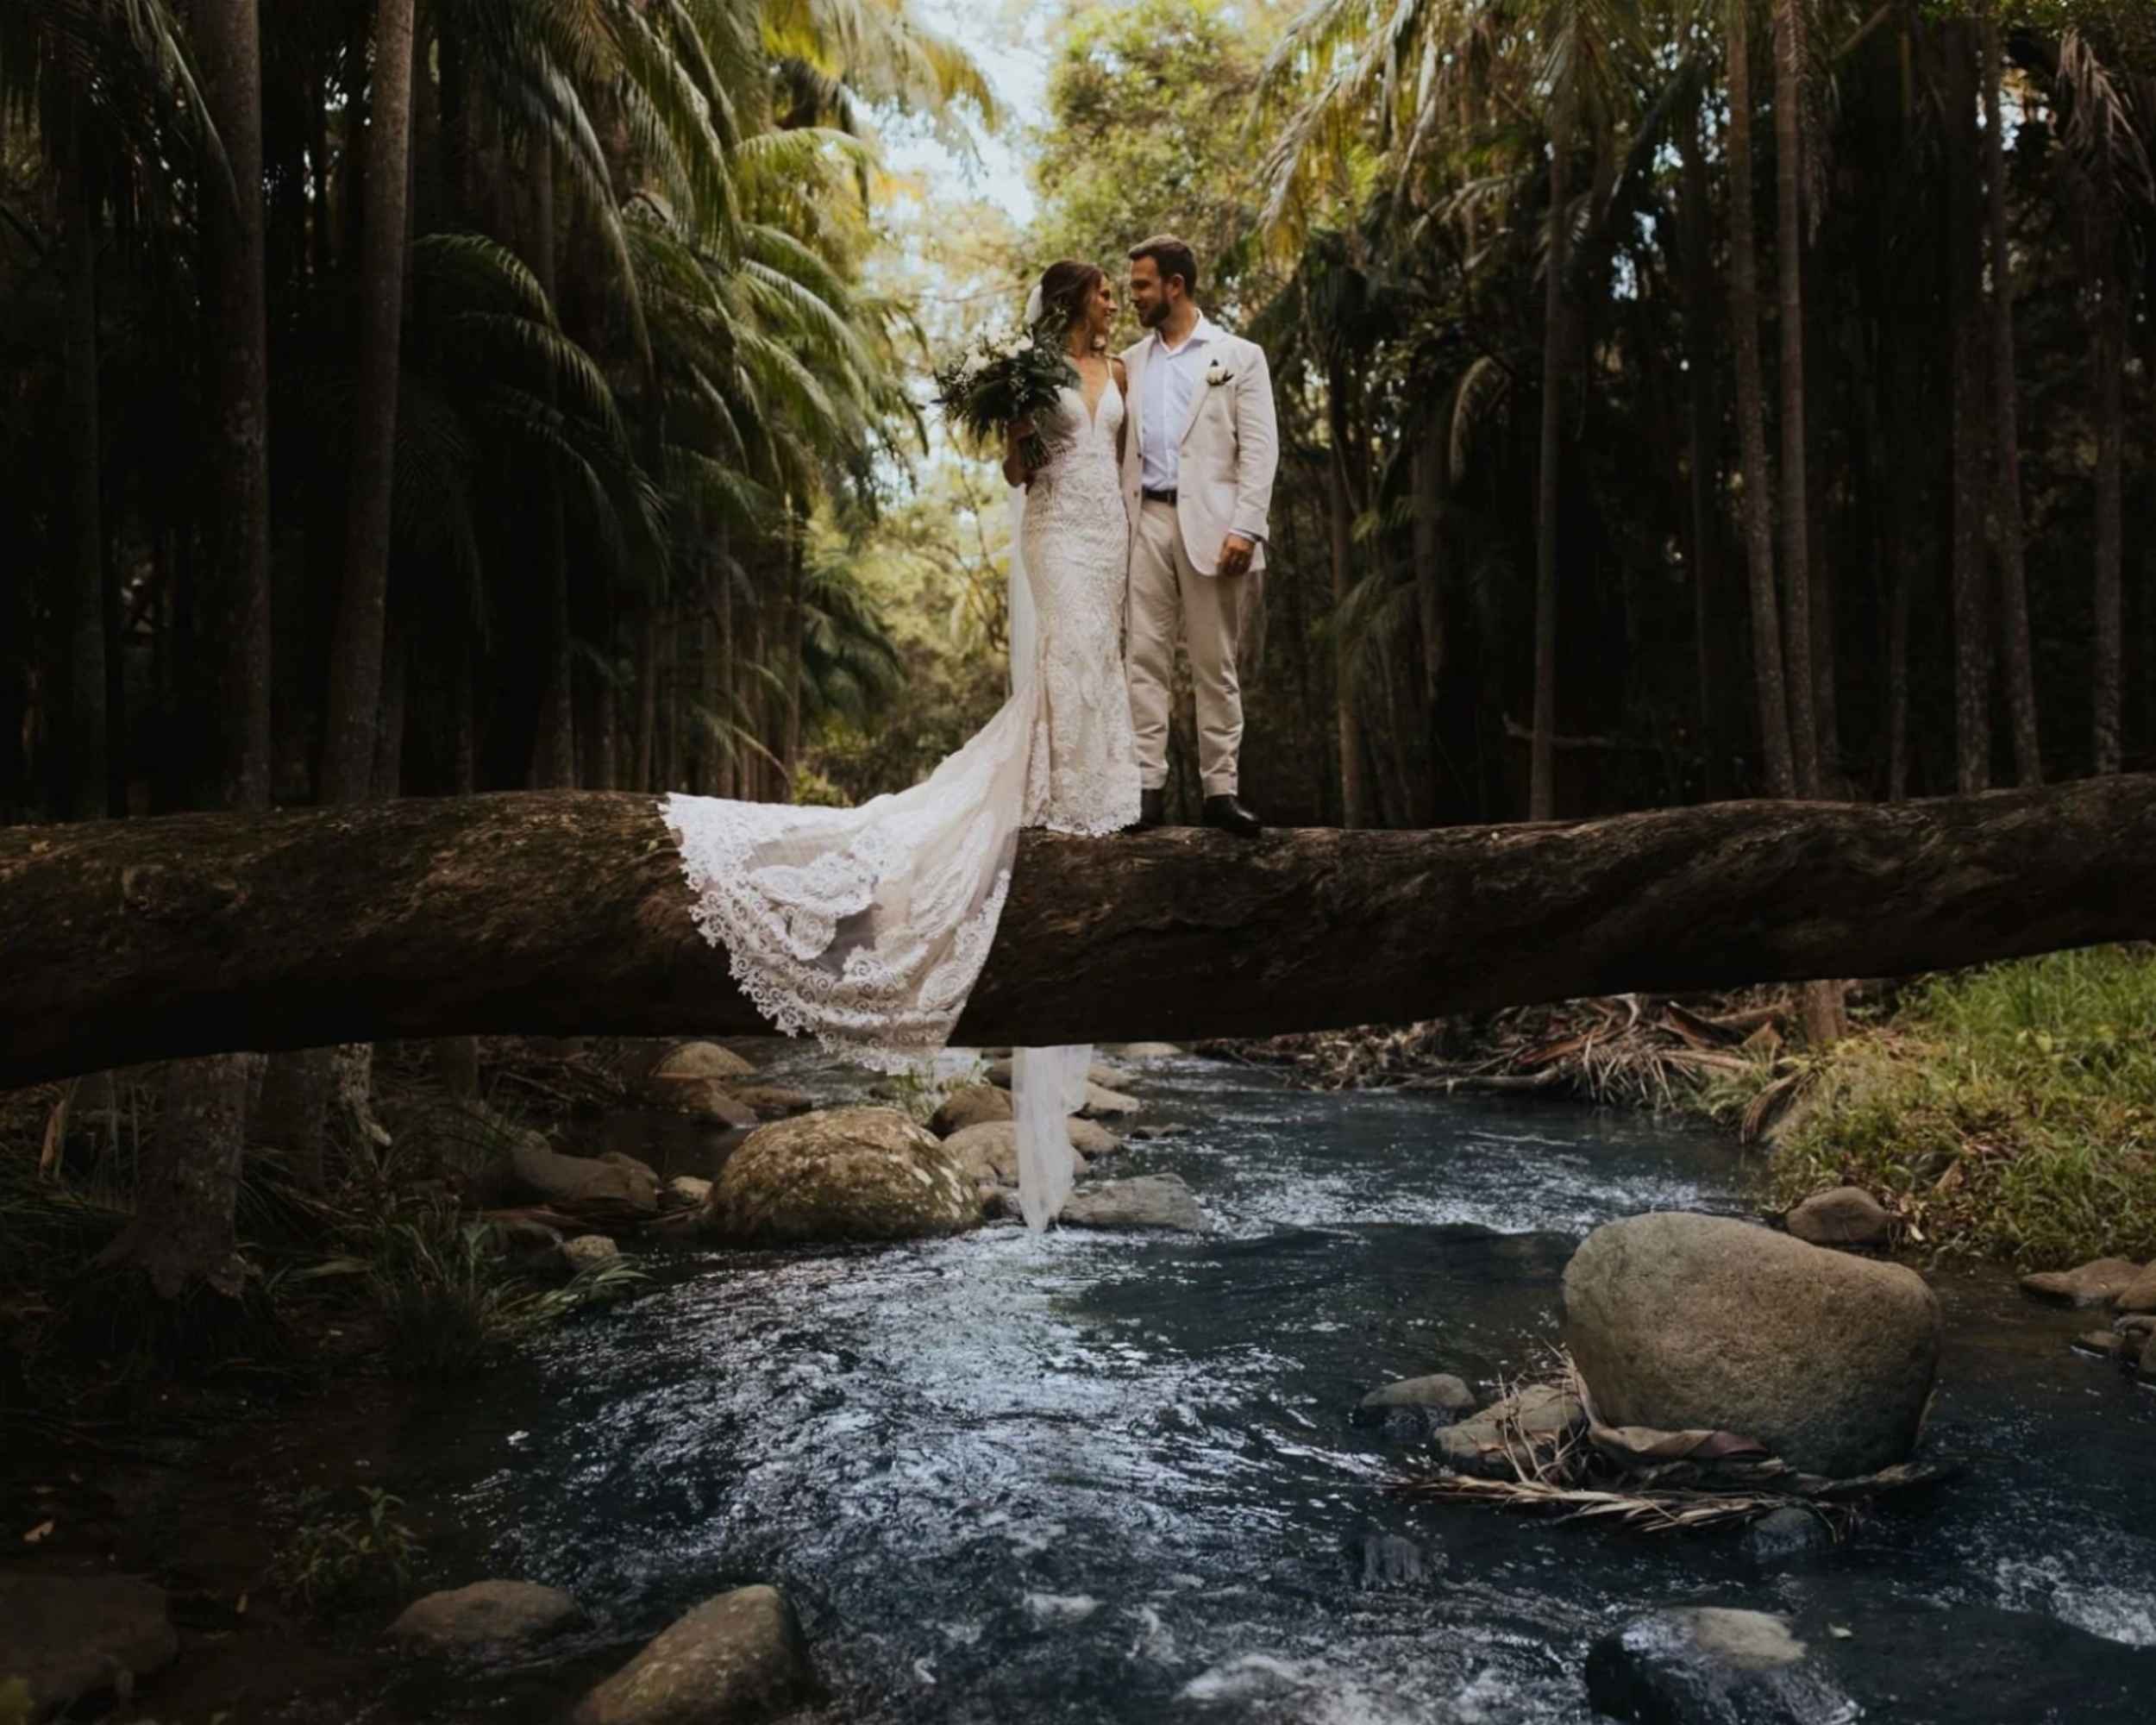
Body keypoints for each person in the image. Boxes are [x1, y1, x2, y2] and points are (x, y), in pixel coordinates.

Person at [662, 260, 1141, 1231]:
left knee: (1102, 655)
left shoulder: (1122, 376)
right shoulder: (1033, 371)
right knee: (1067, 653)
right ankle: (1053, 794)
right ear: (1071, 299)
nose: (1110, 303)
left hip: (1110, 529)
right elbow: (1014, 469)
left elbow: (1125, 467)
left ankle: (1096, 794)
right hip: (1056, 529)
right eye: (1100, 291)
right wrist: (1020, 453)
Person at [1119, 235, 1280, 838]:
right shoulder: (1131, 363)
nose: (1133, 296)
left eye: (1141, 285)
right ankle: (1145, 790)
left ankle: (1221, 791)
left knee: (1215, 665)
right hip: (1147, 523)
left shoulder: (1239, 355)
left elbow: (1261, 449)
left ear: (1174, 287)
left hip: (1216, 530)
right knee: (1145, 660)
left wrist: (1246, 527)